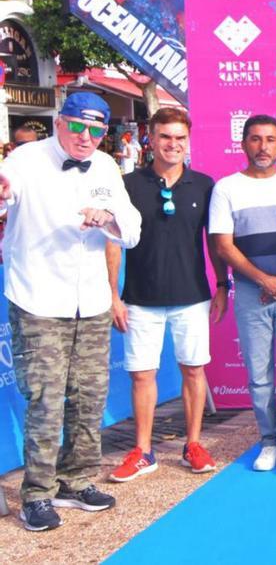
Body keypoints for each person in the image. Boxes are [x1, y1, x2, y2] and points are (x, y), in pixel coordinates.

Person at [0, 92, 141, 531]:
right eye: (78, 126)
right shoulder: (24, 160)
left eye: (97, 129)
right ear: (60, 123)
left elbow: (132, 230)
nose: (86, 137)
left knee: (89, 396)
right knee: (45, 399)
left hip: (93, 301)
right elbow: (5, 196)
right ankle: (37, 494)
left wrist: (109, 218)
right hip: (39, 298)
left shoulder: (105, 166)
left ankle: (76, 481)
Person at [105, 107, 230, 482]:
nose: (172, 144)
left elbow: (216, 242)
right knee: (142, 376)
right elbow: (113, 244)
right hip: (140, 297)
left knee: (194, 370)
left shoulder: (206, 186)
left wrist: (222, 285)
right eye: (165, 137)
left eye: (179, 138)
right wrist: (113, 295)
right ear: (151, 138)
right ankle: (143, 451)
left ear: (187, 141)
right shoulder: (128, 185)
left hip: (192, 296)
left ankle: (193, 444)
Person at [209, 114, 276, 477]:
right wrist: (263, 280)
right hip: (250, 293)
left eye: (270, 139)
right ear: (244, 144)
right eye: (255, 139)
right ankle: (269, 440)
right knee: (258, 374)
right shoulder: (226, 188)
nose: (263, 147)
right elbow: (224, 246)